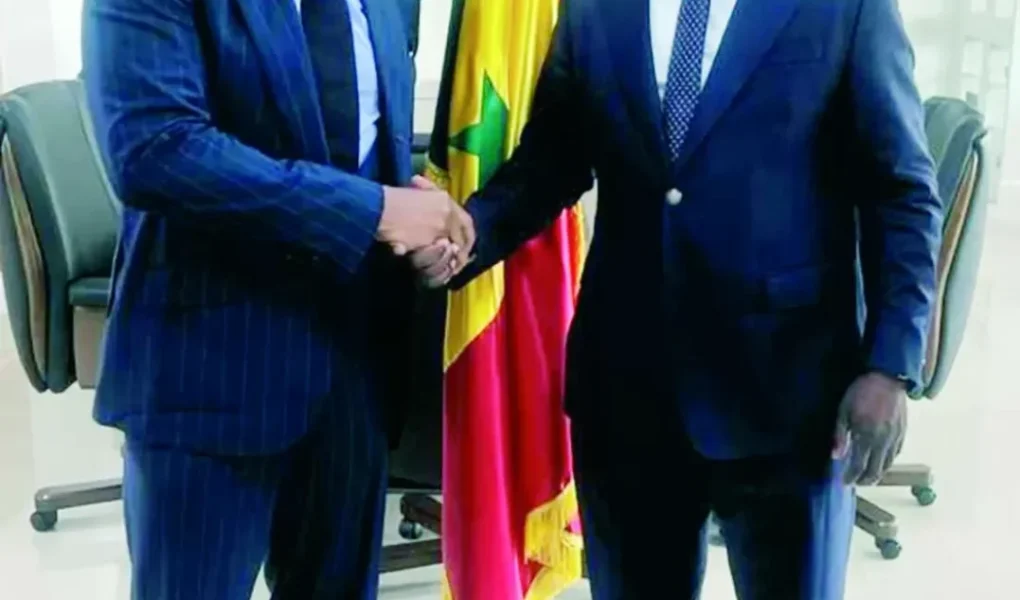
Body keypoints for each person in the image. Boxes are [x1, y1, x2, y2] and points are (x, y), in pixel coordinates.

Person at [413, 0, 942, 597]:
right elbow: (552, 159)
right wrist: (472, 233)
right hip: (627, 388)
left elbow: (901, 190)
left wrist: (890, 367)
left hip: (788, 391)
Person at [82, 0, 469, 597]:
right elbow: (154, 148)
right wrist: (373, 212)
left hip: (356, 374)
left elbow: (370, 140)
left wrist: (420, 235)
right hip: (211, 369)